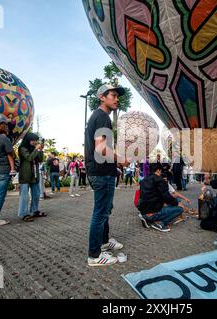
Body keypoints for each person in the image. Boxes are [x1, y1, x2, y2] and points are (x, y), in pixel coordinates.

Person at [85, 84, 125, 267]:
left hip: (102, 171)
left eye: (117, 96)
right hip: (101, 173)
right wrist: (120, 160)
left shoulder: (99, 116)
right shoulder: (102, 117)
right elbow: (101, 148)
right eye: (113, 95)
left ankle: (103, 242)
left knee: (105, 210)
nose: (117, 99)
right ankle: (94, 255)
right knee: (100, 213)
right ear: (102, 97)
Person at [138, 164, 184, 232]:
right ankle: (159, 223)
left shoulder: (144, 180)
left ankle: (148, 219)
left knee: (171, 203)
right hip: (153, 211)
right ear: (158, 170)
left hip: (143, 211)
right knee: (180, 209)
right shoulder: (160, 180)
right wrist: (177, 203)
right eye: (161, 171)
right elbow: (167, 197)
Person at [17, 133, 46, 222]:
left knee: (36, 194)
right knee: (24, 196)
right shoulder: (22, 148)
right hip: (25, 175)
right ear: (28, 139)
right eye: (33, 140)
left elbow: (40, 159)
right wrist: (36, 149)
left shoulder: (34, 149)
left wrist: (40, 149)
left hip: (35, 175)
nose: (34, 142)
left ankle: (34, 211)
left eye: (35, 141)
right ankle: (23, 214)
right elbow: (29, 158)